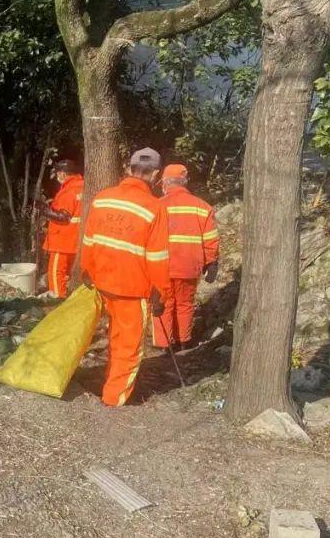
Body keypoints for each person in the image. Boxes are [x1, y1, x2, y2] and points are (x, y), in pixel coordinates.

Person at [80, 148, 170, 407]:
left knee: (113, 337)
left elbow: (89, 240)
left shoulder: (103, 199)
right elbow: (157, 257)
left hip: (102, 282)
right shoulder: (154, 208)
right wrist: (161, 292)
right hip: (133, 289)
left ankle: (108, 382)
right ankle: (114, 398)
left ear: (129, 169)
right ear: (155, 175)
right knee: (128, 346)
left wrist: (87, 270)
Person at [153, 163, 219, 350]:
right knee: (185, 304)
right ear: (185, 182)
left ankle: (165, 345)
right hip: (189, 266)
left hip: (161, 266)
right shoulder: (202, 207)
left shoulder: (156, 206)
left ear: (165, 183)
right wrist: (211, 262)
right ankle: (184, 342)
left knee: (163, 303)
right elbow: (210, 239)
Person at [40, 158, 84, 297]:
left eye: (58, 173)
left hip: (62, 238)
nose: (57, 176)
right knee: (67, 270)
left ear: (63, 174)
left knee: (56, 270)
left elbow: (63, 216)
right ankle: (64, 294)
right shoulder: (82, 186)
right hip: (75, 237)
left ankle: (58, 298)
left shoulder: (69, 191)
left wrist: (44, 210)